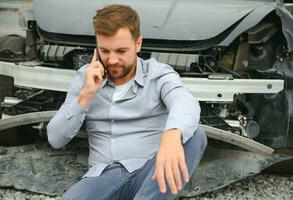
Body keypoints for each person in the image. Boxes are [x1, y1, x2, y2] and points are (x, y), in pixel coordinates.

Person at [47, 4, 207, 200]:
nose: (112, 60)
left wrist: (172, 135)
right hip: (102, 177)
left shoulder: (157, 74)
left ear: (138, 44)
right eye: (105, 51)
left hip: (151, 172)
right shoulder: (85, 79)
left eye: (121, 51)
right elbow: (55, 138)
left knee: (195, 136)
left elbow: (184, 101)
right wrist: (86, 95)